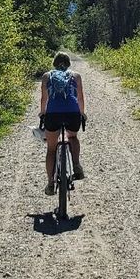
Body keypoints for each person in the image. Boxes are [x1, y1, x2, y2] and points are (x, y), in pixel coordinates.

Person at [38, 51, 87, 195]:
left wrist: (42, 112)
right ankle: (76, 165)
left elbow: (44, 98)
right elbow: (80, 98)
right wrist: (82, 113)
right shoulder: (76, 76)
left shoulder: (47, 76)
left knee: (51, 149)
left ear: (54, 63)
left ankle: (50, 183)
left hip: (53, 114)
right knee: (72, 137)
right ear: (69, 64)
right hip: (72, 113)